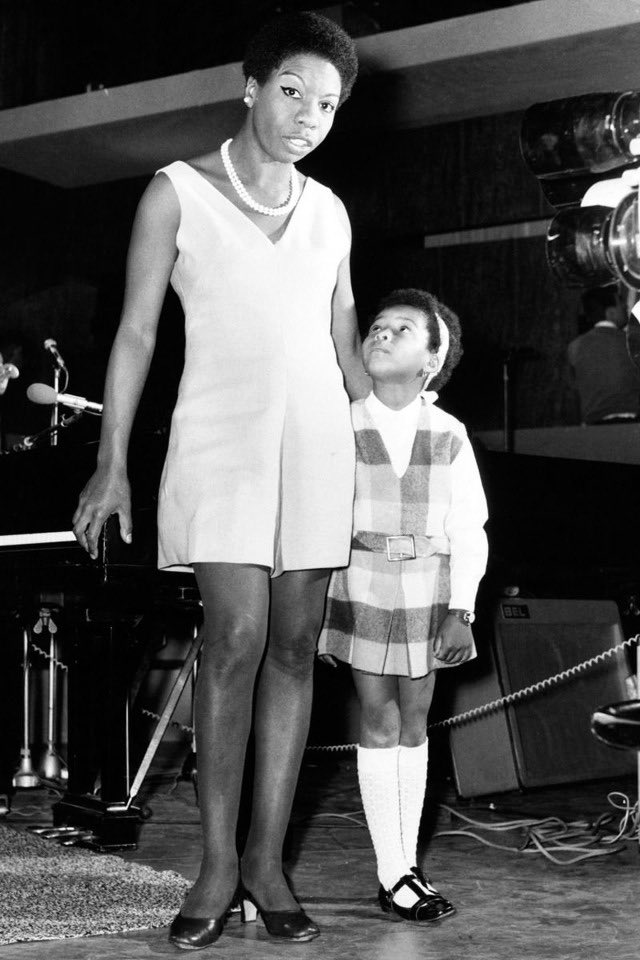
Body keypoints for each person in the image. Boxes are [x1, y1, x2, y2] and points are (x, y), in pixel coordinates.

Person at [72, 12, 369, 949]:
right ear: (250, 86)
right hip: (219, 441)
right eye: (293, 91)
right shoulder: (176, 192)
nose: (308, 115)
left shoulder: (329, 212)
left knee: (294, 647)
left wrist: (405, 445)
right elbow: (135, 333)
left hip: (320, 444)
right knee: (234, 638)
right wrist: (111, 463)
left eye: (327, 103)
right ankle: (212, 866)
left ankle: (268, 864)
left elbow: (345, 344)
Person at [318, 288, 488, 922]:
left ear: (431, 361)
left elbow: (470, 526)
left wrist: (462, 608)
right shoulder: (344, 419)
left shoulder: (449, 433)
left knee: (414, 724)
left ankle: (405, 865)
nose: (382, 334)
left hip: (429, 587)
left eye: (402, 330)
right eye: (377, 327)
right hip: (360, 579)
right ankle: (393, 873)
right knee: (378, 719)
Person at [567, 287, 640, 424]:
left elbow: (574, 389)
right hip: (632, 423)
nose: (626, 307)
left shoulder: (574, 347)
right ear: (611, 313)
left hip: (593, 426)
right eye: (621, 304)